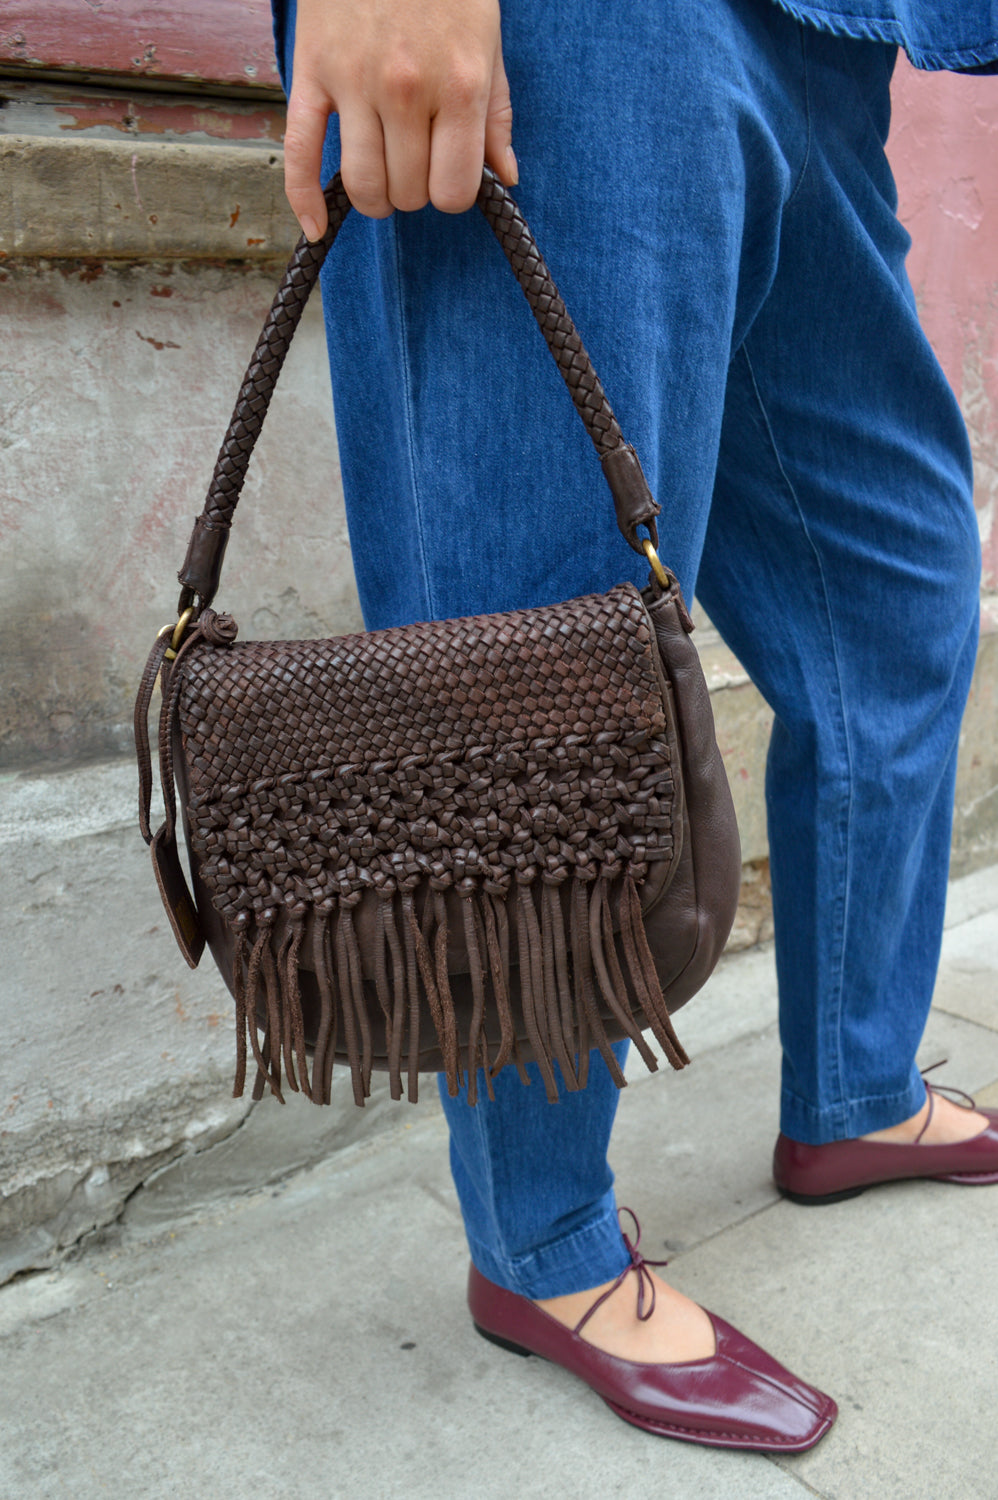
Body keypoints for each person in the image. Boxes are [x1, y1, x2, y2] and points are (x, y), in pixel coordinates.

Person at [270, 0, 998, 1452]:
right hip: (580, 32)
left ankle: (855, 1086)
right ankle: (542, 1244)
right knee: (534, 666)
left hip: (830, 40)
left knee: (900, 590)